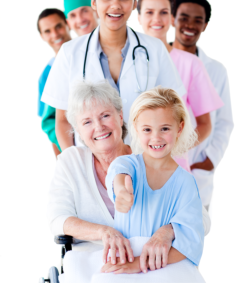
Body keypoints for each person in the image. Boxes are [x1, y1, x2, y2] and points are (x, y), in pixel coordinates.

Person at [48, 81, 209, 282]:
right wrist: (105, 231)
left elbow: (200, 221)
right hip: (93, 255)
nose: (99, 127)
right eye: (87, 122)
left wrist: (169, 231)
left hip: (151, 255)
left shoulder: (152, 156)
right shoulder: (72, 161)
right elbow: (58, 220)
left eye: (105, 115)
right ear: (78, 131)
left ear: (121, 116)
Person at [42, 0, 186, 151]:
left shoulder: (154, 49)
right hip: (90, 166)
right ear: (94, 2)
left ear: (135, 3)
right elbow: (62, 121)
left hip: (144, 162)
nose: (115, 5)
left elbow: (174, 109)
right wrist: (74, 164)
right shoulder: (69, 52)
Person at [104, 87, 204, 275]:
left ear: (179, 128)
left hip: (164, 268)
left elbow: (190, 242)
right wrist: (121, 192)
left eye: (165, 128)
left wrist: (138, 264)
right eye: (147, 129)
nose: (156, 137)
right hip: (123, 263)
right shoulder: (127, 165)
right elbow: (119, 176)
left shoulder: (186, 183)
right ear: (135, 128)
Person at [137, 0, 223, 171]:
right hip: (133, 164)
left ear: (172, 18)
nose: (157, 19)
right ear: (139, 17)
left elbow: (205, 125)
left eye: (164, 12)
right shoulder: (125, 61)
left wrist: (172, 149)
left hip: (175, 167)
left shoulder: (191, 63)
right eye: (149, 12)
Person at [172, 0, 234, 208]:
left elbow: (224, 121)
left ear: (205, 25)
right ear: (173, 19)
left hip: (197, 171)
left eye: (198, 20)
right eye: (184, 18)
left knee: (191, 237)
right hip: (159, 167)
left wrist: (209, 160)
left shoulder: (215, 70)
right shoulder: (158, 60)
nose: (190, 25)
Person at [37, 8, 71, 156]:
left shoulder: (91, 54)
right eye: (47, 31)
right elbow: (50, 124)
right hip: (72, 147)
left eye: (58, 26)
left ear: (67, 24)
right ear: (42, 36)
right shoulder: (46, 76)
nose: (55, 34)